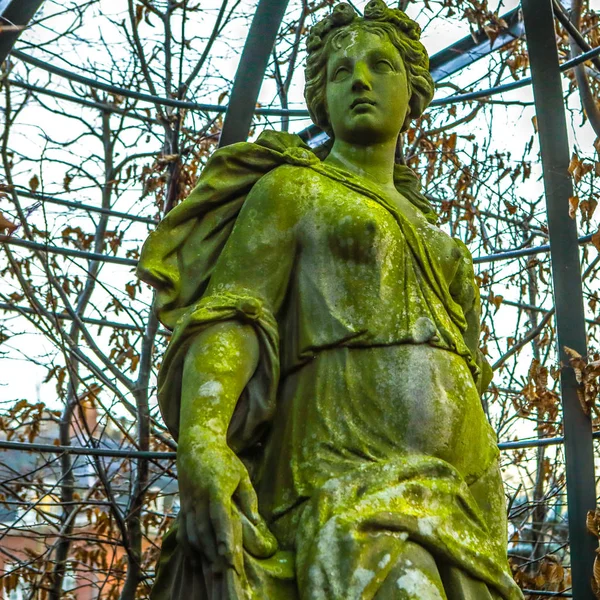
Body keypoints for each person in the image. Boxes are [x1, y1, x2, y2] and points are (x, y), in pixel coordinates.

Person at [137, 1, 523, 598]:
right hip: (341, 474)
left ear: (413, 89)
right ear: (322, 96)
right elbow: (235, 314)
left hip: (465, 492)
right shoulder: (294, 189)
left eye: (379, 66)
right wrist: (203, 436)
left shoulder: (439, 236)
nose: (360, 80)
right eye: (341, 72)